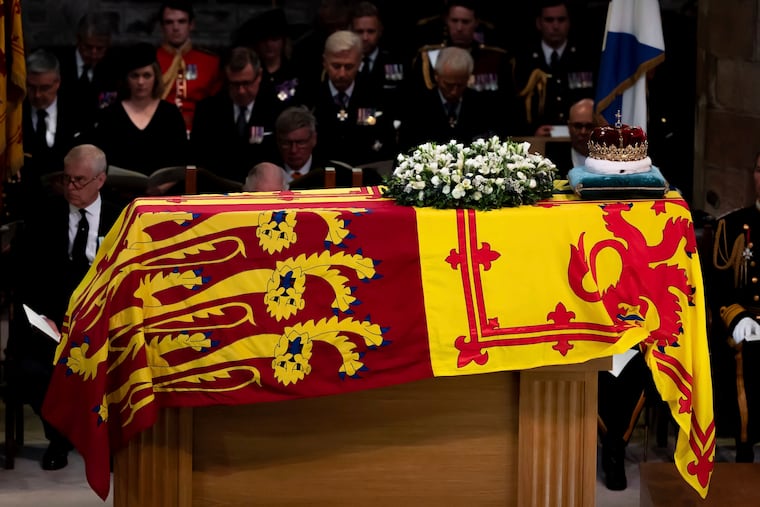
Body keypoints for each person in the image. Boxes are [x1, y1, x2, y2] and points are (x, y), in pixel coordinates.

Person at [8, 144, 122, 471]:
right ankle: (58, 439)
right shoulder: (43, 217)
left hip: (104, 322)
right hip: (53, 318)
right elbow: (25, 275)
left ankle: (102, 441)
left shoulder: (121, 220)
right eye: (67, 179)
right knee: (32, 369)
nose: (71, 187)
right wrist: (43, 317)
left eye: (80, 181)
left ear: (100, 179)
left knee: (118, 364)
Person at [708, 151, 760, 463]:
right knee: (749, 351)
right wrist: (737, 316)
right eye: (759, 169)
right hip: (746, 322)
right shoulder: (732, 226)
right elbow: (719, 286)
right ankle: (744, 448)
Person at [87, 42, 189, 176]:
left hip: (165, 194)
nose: (141, 82)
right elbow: (103, 163)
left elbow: (182, 160)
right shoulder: (111, 115)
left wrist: (163, 187)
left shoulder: (170, 114)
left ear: (156, 77)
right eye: (135, 76)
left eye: (147, 76)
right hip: (120, 193)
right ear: (126, 79)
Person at [303, 30, 397, 166]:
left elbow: (387, 142)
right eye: (336, 66)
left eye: (349, 67)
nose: (342, 74)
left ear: (360, 62)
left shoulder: (376, 95)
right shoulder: (309, 96)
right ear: (324, 62)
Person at [410, 1, 516, 117]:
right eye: (454, 21)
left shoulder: (495, 58)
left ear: (476, 22)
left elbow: (508, 102)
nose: (459, 28)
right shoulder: (429, 58)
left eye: (465, 22)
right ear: (446, 20)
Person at [190, 46, 280, 183]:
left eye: (246, 83)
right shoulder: (207, 111)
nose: (241, 91)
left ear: (259, 76)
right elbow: (199, 159)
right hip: (217, 190)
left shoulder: (275, 110)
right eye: (235, 84)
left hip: (261, 193)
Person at [513, 0, 598, 136]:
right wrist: (531, 131)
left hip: (581, 138)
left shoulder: (586, 58)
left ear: (569, 23)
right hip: (537, 142)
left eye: (561, 20)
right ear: (539, 23)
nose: (556, 26)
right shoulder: (523, 61)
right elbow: (513, 106)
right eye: (549, 20)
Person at [398, 46, 505, 151]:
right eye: (448, 85)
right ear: (436, 76)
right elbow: (405, 150)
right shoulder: (416, 106)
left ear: (468, 78)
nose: (454, 92)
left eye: (460, 85)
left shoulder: (483, 105)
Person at [20, 49, 82, 207]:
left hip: (67, 205)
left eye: (45, 88)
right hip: (24, 204)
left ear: (58, 82)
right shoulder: (15, 113)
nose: (37, 95)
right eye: (31, 87)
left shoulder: (76, 111)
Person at [273, 105, 382, 189]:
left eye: (301, 142)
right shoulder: (264, 173)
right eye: (286, 143)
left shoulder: (335, 173)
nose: (294, 150)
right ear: (278, 141)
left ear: (313, 139)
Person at [156, 0, 222, 133]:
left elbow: (218, 107)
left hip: (200, 133)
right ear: (161, 27)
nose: (175, 27)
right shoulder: (151, 60)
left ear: (191, 25)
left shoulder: (211, 62)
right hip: (159, 131)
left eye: (181, 21)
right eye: (169, 22)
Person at [54, 12, 119, 129]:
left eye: (99, 48)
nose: (94, 54)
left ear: (107, 45)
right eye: (88, 47)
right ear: (78, 40)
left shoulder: (112, 70)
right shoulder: (59, 65)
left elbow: (108, 107)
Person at [233, 8, 303, 110]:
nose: (269, 45)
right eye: (264, 39)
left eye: (274, 39)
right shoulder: (249, 73)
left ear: (283, 41)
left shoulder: (296, 71)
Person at [349, 1, 407, 123]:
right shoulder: (343, 64)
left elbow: (401, 100)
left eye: (370, 31)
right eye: (359, 32)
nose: (365, 38)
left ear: (380, 31)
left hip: (387, 128)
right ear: (351, 31)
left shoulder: (395, 62)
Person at [544, 97, 596, 177]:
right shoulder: (552, 163)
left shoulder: (609, 163)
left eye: (589, 126)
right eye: (577, 126)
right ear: (569, 127)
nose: (583, 132)